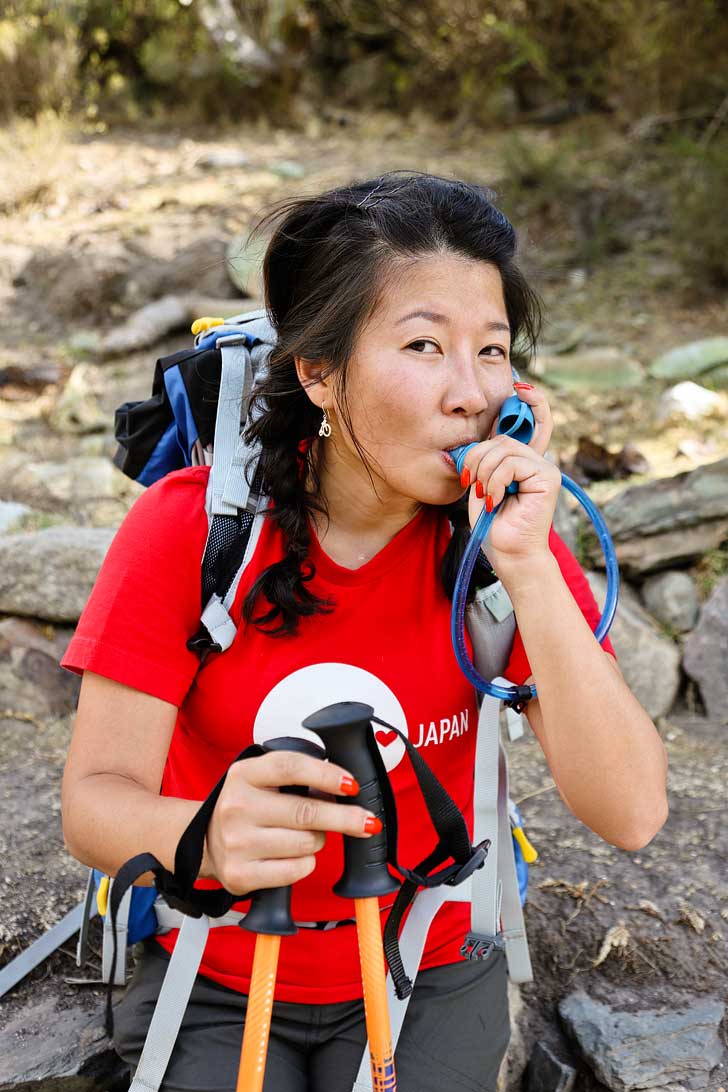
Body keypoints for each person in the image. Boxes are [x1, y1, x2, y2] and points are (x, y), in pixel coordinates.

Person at [60, 171, 668, 1092]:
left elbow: (632, 812)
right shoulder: (192, 531)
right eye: (424, 344)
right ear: (319, 371)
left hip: (429, 965)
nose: (470, 391)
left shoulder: (503, 552)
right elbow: (93, 803)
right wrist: (206, 839)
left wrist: (532, 568)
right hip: (218, 962)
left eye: (493, 351)